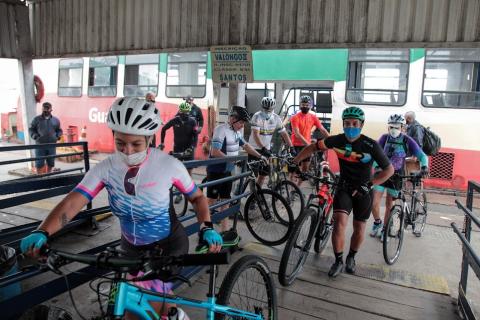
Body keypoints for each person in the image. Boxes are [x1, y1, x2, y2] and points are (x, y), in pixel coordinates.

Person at [20, 97, 222, 319]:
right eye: (120, 144)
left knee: (138, 307)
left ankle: (177, 315)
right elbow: (73, 201)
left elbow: (198, 198)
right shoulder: (106, 168)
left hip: (167, 245)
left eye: (136, 144)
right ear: (113, 137)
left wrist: (206, 226)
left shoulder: (168, 165)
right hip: (129, 247)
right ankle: (172, 313)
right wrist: (42, 230)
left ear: (149, 138)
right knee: (128, 306)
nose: (127, 151)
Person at [294, 106, 394, 277]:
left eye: (355, 123)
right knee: (339, 222)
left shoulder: (371, 145)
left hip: (364, 190)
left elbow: (389, 170)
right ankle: (338, 260)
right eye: (347, 123)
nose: (350, 126)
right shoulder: (337, 140)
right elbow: (312, 148)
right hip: (344, 187)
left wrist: (370, 184)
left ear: (361, 125)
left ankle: (351, 257)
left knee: (359, 227)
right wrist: (295, 161)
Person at [206, 106, 267, 232]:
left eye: (243, 123)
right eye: (240, 122)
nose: (242, 125)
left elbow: (246, 146)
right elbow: (215, 151)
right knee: (210, 201)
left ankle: (224, 230)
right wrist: (233, 160)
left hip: (227, 171)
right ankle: (204, 228)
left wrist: (260, 155)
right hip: (216, 171)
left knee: (226, 201)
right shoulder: (220, 130)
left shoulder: (236, 133)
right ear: (232, 119)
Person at [370, 114, 429, 239]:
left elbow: (422, 156)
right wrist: (374, 165)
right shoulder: (384, 138)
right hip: (381, 174)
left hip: (396, 176)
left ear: (403, 128)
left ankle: (385, 229)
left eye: (397, 127)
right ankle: (377, 223)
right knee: (374, 202)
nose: (394, 129)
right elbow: (375, 153)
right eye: (391, 126)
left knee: (389, 205)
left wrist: (424, 167)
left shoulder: (407, 140)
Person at [248, 97, 294, 186]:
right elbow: (256, 135)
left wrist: (291, 147)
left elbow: (284, 133)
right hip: (254, 149)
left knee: (263, 174)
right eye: (265, 109)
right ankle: (251, 194)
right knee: (253, 175)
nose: (267, 111)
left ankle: (258, 193)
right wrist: (263, 148)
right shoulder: (257, 116)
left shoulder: (276, 118)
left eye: (270, 109)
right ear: (262, 107)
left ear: (273, 108)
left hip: (267, 148)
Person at [289, 95, 329, 187]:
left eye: (307, 105)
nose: (305, 106)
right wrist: (308, 144)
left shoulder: (313, 117)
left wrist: (331, 139)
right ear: (300, 105)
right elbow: (297, 134)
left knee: (305, 170)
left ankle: (296, 189)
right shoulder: (295, 117)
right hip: (296, 145)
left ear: (310, 106)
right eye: (303, 104)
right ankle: (290, 187)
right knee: (294, 169)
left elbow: (322, 129)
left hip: (306, 145)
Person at [159, 102, 198, 169]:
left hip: (189, 149)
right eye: (183, 111)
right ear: (179, 111)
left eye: (186, 112)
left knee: (189, 169)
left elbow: (195, 135)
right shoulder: (174, 120)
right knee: (176, 169)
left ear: (189, 112)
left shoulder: (193, 121)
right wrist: (162, 142)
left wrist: (193, 146)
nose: (184, 113)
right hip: (177, 148)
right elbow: (163, 129)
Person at [28, 102, 63, 174]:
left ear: (51, 110)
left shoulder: (56, 120)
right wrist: (35, 136)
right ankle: (39, 179)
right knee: (39, 163)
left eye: (47, 109)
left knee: (50, 162)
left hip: (52, 145)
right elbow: (31, 129)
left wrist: (57, 136)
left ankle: (48, 176)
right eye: (44, 109)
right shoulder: (36, 119)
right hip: (40, 146)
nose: (46, 111)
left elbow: (59, 130)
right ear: (42, 109)